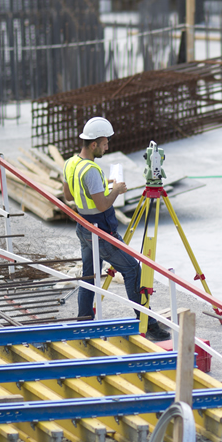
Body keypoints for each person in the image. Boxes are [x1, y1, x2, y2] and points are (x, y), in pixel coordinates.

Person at [63, 116, 170, 341]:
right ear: (94, 144)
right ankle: (147, 324)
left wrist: (100, 190)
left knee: (89, 275)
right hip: (101, 231)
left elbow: (69, 195)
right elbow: (102, 204)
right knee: (132, 270)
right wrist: (116, 190)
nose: (107, 147)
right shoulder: (91, 170)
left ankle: (83, 321)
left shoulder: (71, 163)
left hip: (83, 227)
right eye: (104, 143)